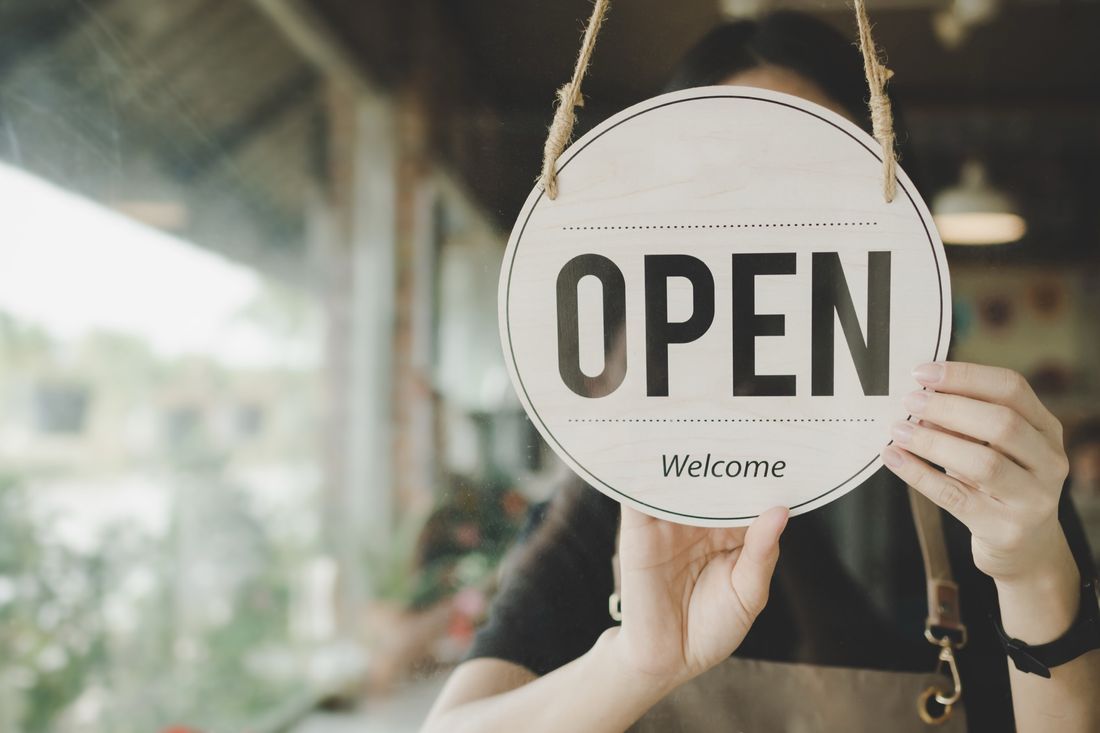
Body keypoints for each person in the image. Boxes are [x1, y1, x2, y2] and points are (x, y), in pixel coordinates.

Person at [422, 13, 1100, 732]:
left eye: (812, 176)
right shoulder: (623, 499)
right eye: (727, 182)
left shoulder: (985, 476)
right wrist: (634, 664)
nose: (771, 223)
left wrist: (1031, 570)